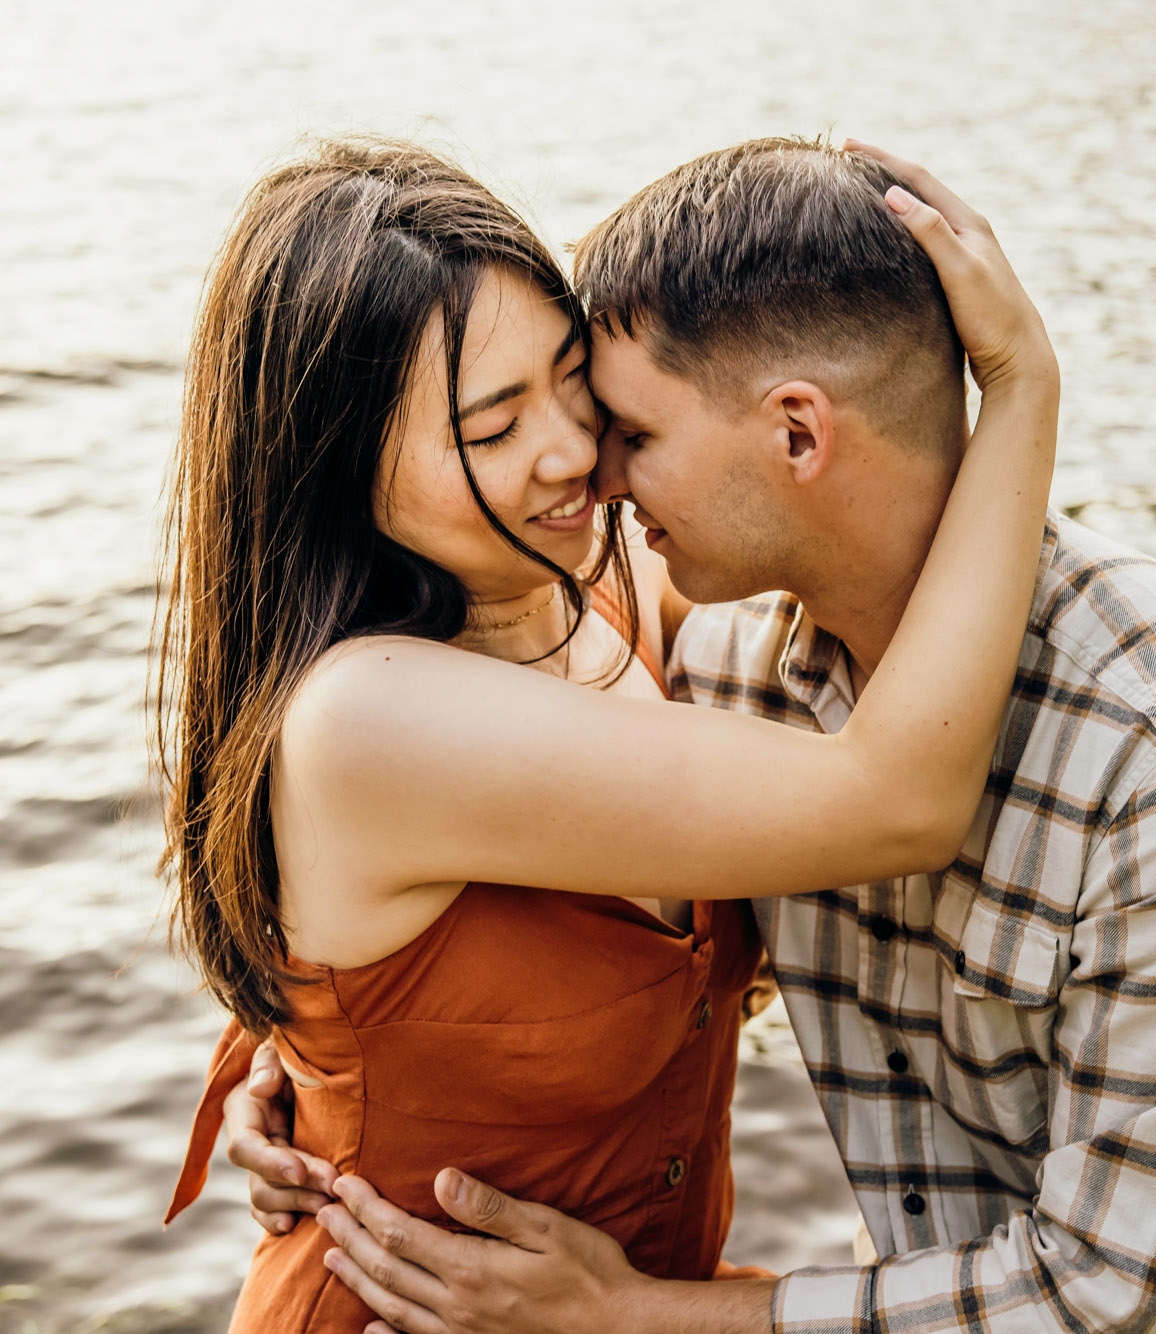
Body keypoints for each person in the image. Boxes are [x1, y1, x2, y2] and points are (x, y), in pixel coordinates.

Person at [230, 138, 1156, 1333]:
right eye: (495, 428)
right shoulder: (712, 663)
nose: (587, 464)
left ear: (795, 432)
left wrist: (629, 1311)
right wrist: (312, 1067)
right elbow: (398, 910)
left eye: (597, 405)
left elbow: (1104, 1302)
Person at [155, 136, 1060, 1334]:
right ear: (333, 471)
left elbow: (839, 523)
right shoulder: (367, 715)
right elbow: (896, 794)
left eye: (568, 379)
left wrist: (311, 1055)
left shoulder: (608, 583)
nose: (575, 451)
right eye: (491, 429)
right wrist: (1024, 384)